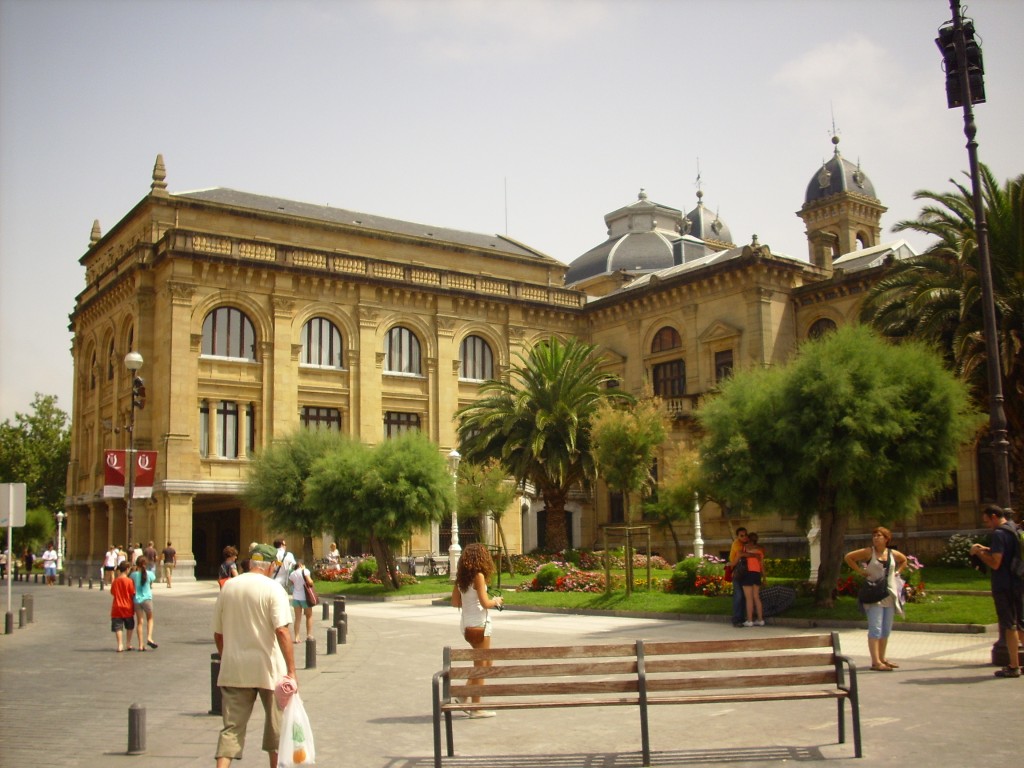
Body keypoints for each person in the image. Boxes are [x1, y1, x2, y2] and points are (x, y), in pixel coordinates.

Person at [212, 543, 297, 768]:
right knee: (276, 730)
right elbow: (282, 631)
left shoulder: (228, 587)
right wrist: (291, 671)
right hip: (268, 669)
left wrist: (226, 657)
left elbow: (218, 634)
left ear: (250, 563)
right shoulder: (273, 589)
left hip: (235, 669)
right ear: (270, 566)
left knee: (231, 730)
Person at [451, 542, 503, 718]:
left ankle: (462, 695)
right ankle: (476, 708)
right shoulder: (478, 576)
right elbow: (485, 603)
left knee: (486, 663)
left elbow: (455, 603)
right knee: (481, 667)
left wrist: (469, 601)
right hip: (480, 625)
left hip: (467, 625)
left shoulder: (461, 579)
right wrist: (496, 601)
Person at [970, 505, 1023, 678]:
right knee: (1021, 623)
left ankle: (1013, 665)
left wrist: (979, 553)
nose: (987, 525)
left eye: (987, 521)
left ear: (994, 516)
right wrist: (987, 549)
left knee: (1009, 625)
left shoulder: (999, 534)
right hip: (1018, 580)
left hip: (1004, 585)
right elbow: (1009, 553)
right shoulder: (1014, 529)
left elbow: (996, 563)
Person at [844, 526, 908, 671]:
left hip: (889, 595)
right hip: (873, 595)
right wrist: (861, 571)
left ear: (886, 539)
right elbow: (849, 557)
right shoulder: (868, 552)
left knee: (886, 629)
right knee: (875, 629)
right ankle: (875, 661)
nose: (876, 538)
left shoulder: (892, 553)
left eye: (879, 535)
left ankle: (882, 658)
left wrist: (898, 572)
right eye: (874, 535)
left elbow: (904, 560)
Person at [131, 555, 158, 650]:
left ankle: (140, 645)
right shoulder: (150, 574)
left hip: (137, 600)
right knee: (150, 619)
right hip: (147, 599)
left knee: (139, 622)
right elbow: (151, 583)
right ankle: (149, 638)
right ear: (145, 564)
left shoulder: (133, 575)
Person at [110, 560, 136, 652]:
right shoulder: (129, 581)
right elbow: (132, 592)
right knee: (129, 625)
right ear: (127, 569)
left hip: (117, 606)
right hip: (127, 606)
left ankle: (120, 645)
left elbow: (112, 592)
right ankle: (128, 643)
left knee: (118, 626)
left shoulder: (115, 581)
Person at [740, 532, 765, 627]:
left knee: (749, 598)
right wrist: (764, 577)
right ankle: (760, 619)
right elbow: (762, 565)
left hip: (748, 573)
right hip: (757, 574)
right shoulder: (760, 550)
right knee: (756, 597)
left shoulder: (745, 548)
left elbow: (740, 556)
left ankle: (749, 620)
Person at [288, 557, 315, 644]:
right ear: (301, 565)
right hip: (305, 597)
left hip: (296, 597)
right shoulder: (305, 571)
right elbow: (310, 582)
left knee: (297, 618)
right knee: (309, 616)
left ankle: (296, 637)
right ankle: (309, 635)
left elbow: (292, 583)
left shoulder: (292, 573)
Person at [728, 527, 749, 627]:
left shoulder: (746, 543)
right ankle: (736, 619)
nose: (744, 537)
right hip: (736, 573)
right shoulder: (737, 544)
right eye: (742, 535)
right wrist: (754, 555)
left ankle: (742, 617)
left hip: (744, 573)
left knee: (744, 596)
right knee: (739, 595)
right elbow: (740, 554)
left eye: (745, 535)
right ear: (737, 536)